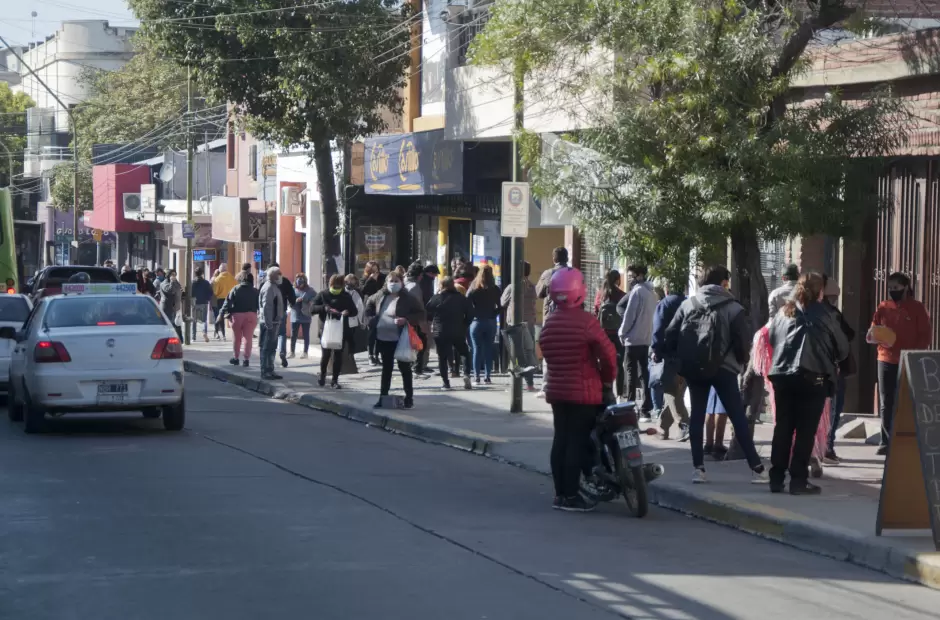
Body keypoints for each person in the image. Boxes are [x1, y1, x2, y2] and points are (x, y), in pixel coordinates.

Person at [664, 264, 768, 484]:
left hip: (694, 369)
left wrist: (680, 362)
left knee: (697, 417)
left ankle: (698, 469)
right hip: (724, 369)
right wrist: (741, 361)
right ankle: (757, 468)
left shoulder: (688, 304)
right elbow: (742, 342)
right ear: (723, 283)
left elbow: (670, 335)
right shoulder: (733, 308)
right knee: (737, 416)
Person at [539, 267, 617, 512]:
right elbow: (608, 355)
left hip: (557, 391)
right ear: (579, 291)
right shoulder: (587, 322)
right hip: (584, 392)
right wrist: (607, 379)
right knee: (576, 441)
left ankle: (560, 494)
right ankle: (572, 495)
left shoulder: (550, 323)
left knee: (560, 439)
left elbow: (546, 352)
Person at [767, 272, 849, 495]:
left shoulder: (784, 311)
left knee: (783, 427)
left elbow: (772, 338)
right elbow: (842, 348)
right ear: (820, 291)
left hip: (783, 375)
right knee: (805, 431)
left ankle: (776, 478)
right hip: (812, 377)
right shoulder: (826, 314)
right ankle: (798, 480)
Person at [869, 271, 932, 456]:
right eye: (890, 288)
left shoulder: (917, 308)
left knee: (906, 400)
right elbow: (874, 328)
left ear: (905, 287)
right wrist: (876, 336)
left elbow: (925, 336)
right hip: (886, 358)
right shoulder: (883, 307)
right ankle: (886, 441)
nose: (892, 291)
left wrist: (914, 353)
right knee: (886, 401)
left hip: (908, 359)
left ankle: (907, 439)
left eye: (896, 287)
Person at [365, 271, 424, 409]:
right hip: (383, 338)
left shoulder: (407, 297)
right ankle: (382, 397)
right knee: (386, 369)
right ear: (386, 282)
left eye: (396, 280)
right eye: (391, 281)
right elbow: (369, 302)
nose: (393, 283)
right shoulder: (381, 295)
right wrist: (371, 319)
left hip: (400, 338)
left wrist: (407, 319)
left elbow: (421, 313)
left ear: (401, 282)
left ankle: (409, 398)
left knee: (405, 368)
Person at [616, 265, 659, 420]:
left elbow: (629, 316)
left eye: (632, 275)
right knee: (643, 373)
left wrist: (622, 332)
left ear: (640, 275)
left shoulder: (637, 292)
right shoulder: (652, 294)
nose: (629, 278)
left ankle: (630, 406)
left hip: (632, 340)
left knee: (630, 372)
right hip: (646, 339)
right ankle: (646, 408)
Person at [822, 275, 855, 464]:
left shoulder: (798, 311)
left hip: (809, 370)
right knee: (834, 407)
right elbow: (848, 335)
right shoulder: (832, 314)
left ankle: (818, 448)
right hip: (832, 368)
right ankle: (827, 446)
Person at [650, 279, 689, 441]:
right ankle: (663, 427)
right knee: (676, 391)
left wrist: (655, 350)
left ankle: (685, 424)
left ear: (667, 289)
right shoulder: (689, 304)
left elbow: (658, 330)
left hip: (669, 354)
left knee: (670, 391)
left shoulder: (665, 305)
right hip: (687, 353)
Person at [311, 274, 357, 388]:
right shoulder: (323, 294)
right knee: (325, 354)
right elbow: (312, 309)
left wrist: (348, 312)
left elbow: (354, 311)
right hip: (326, 329)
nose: (335, 288)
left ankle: (335, 380)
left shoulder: (346, 296)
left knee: (338, 355)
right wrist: (323, 308)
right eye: (334, 285)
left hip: (340, 329)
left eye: (338, 286)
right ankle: (322, 376)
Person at [426, 276, 473, 390]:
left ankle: (445, 382)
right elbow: (470, 314)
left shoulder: (436, 298)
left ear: (441, 285)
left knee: (442, 357)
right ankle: (466, 374)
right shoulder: (461, 298)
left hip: (440, 331)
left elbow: (428, 311)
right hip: (457, 330)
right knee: (464, 352)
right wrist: (464, 325)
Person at [501, 261, 538, 390]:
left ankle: (516, 383)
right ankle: (530, 383)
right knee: (528, 352)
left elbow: (502, 302)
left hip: (515, 324)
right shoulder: (532, 287)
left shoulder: (512, 287)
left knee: (516, 354)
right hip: (529, 323)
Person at [594, 269, 627, 397]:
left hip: (604, 334)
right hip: (618, 334)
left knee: (604, 362)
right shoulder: (623, 296)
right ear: (618, 280)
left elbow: (596, 312)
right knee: (619, 364)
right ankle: (619, 393)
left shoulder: (601, 295)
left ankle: (604, 390)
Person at [468, 265, 501, 385]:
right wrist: (494, 313)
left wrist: (473, 313)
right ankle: (487, 377)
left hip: (476, 322)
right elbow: (501, 306)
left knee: (476, 349)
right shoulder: (495, 289)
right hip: (490, 322)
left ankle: (476, 377)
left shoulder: (473, 287)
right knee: (488, 349)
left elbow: (467, 303)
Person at [219, 271, 259, 367]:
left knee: (237, 338)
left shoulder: (235, 289)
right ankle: (246, 359)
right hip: (251, 315)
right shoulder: (255, 291)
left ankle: (236, 358)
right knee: (248, 338)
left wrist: (222, 313)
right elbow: (260, 304)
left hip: (237, 315)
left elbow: (227, 302)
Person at [258, 265, 286, 380]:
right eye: (279, 274)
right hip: (270, 323)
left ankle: (270, 369)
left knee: (272, 347)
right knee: (266, 347)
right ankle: (265, 371)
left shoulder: (273, 286)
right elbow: (267, 307)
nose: (281, 276)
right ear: (274, 276)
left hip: (273, 322)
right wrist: (269, 324)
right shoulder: (269, 287)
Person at [404, 262, 431, 375]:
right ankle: (417, 367)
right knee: (421, 343)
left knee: (412, 343)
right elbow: (418, 305)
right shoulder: (414, 287)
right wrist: (422, 322)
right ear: (419, 275)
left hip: (407, 318)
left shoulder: (405, 283)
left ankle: (412, 365)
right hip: (414, 319)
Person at [362, 261, 386, 366]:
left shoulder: (382, 277)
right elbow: (363, 290)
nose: (375, 272)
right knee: (371, 332)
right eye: (372, 270)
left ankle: (377, 355)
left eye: (376, 269)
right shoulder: (364, 279)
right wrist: (371, 279)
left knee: (379, 333)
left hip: (381, 306)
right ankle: (370, 355)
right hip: (370, 307)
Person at [289, 273, 317, 359]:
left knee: (306, 334)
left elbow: (316, 299)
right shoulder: (293, 290)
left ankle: (305, 352)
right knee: (293, 334)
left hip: (306, 315)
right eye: (298, 281)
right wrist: (295, 300)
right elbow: (289, 301)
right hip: (295, 315)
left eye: (301, 281)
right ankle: (292, 352)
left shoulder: (310, 290)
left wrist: (307, 300)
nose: (299, 284)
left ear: (305, 281)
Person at [212, 265, 236, 341]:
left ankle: (223, 334)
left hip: (221, 299)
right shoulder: (232, 278)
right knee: (232, 316)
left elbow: (215, 292)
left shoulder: (217, 279)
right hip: (231, 298)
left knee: (221, 316)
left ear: (220, 270)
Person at [191, 267, 214, 343]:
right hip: (204, 302)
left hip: (195, 302)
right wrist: (207, 298)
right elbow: (211, 292)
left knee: (194, 320)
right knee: (204, 320)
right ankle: (204, 332)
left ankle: (193, 337)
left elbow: (190, 292)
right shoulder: (206, 282)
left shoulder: (192, 282)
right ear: (202, 273)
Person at [159, 269, 183, 341]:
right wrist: (172, 281)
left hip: (175, 307)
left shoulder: (174, 282)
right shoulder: (164, 283)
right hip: (167, 308)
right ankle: (168, 340)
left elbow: (179, 287)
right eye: (172, 275)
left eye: (175, 275)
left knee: (177, 324)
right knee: (169, 325)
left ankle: (180, 340)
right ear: (168, 275)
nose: (174, 276)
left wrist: (175, 281)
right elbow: (170, 290)